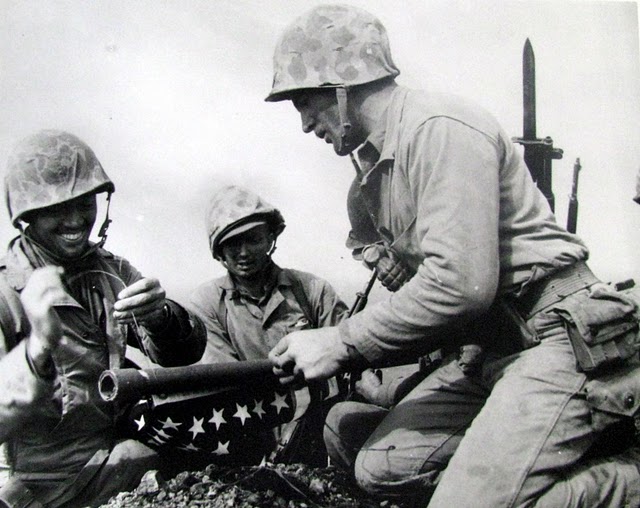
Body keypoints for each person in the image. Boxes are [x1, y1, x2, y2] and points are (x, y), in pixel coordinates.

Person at [265, 4, 640, 507]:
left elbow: (462, 284)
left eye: (304, 103)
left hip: (557, 338)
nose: (307, 123)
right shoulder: (378, 172)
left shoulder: (438, 128)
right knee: (380, 467)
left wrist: (342, 340)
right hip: (493, 348)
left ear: (339, 89)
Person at [0, 129, 206, 508]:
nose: (77, 219)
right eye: (57, 207)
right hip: (44, 487)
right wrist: (35, 354)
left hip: (119, 464)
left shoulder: (112, 272)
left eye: (85, 202)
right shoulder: (6, 294)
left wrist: (162, 318)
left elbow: (182, 355)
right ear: (27, 215)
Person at [188, 184, 348, 464]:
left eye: (253, 239)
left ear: (270, 238)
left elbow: (350, 351)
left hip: (318, 429)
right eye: (232, 243)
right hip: (249, 433)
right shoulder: (207, 303)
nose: (244, 252)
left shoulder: (312, 290)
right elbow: (224, 380)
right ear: (219, 252)